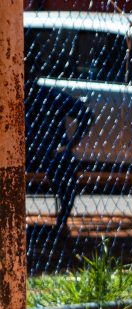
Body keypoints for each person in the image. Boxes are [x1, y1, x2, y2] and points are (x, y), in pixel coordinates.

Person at [23, 60, 93, 245]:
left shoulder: (48, 95)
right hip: (20, 155)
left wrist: (69, 145)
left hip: (50, 154)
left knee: (67, 165)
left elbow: (85, 113)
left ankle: (61, 222)